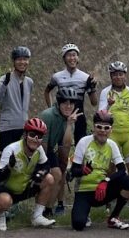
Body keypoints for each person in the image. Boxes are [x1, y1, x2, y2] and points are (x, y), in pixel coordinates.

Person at [69, 110, 129, 231]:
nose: (102, 131)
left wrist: (106, 181)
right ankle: (85, 212)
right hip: (84, 190)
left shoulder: (112, 145)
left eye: (106, 128)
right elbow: (73, 171)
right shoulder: (84, 142)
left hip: (103, 189)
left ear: (111, 130)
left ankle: (114, 217)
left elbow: (122, 170)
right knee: (78, 225)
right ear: (93, 128)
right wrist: (82, 171)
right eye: (99, 127)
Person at [0, 117, 58, 231]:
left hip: (24, 187)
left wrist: (39, 174)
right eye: (32, 135)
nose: (35, 139)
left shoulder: (39, 149)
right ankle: (1, 217)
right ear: (25, 135)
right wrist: (9, 167)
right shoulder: (12, 149)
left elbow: (46, 166)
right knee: (4, 201)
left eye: (39, 136)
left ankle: (37, 216)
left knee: (49, 178)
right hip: (5, 188)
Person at [99, 61, 129, 214]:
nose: (118, 77)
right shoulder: (105, 92)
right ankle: (108, 203)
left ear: (125, 75)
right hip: (113, 134)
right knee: (110, 169)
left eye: (121, 74)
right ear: (111, 76)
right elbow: (100, 114)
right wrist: (109, 105)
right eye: (115, 74)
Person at [40, 85, 82, 217]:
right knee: (56, 173)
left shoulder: (70, 119)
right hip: (37, 147)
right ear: (58, 103)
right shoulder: (48, 115)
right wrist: (48, 166)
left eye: (71, 103)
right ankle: (42, 208)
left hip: (51, 148)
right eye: (64, 102)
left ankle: (49, 209)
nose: (68, 106)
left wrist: (69, 125)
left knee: (61, 172)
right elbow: (43, 145)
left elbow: (65, 147)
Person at [45, 43, 99, 142]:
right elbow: (47, 91)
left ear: (78, 58)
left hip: (79, 116)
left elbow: (94, 103)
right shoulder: (57, 76)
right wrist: (51, 108)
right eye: (69, 55)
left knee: (80, 145)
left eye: (74, 55)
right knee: (60, 144)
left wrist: (92, 87)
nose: (72, 58)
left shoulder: (85, 77)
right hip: (62, 117)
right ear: (64, 58)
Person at [0, 46, 35, 152]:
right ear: (14, 61)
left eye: (25, 59)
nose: (22, 62)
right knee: (5, 160)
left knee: (20, 161)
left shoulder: (29, 82)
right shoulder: (5, 79)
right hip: (7, 127)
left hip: (23, 127)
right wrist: (5, 84)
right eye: (19, 59)